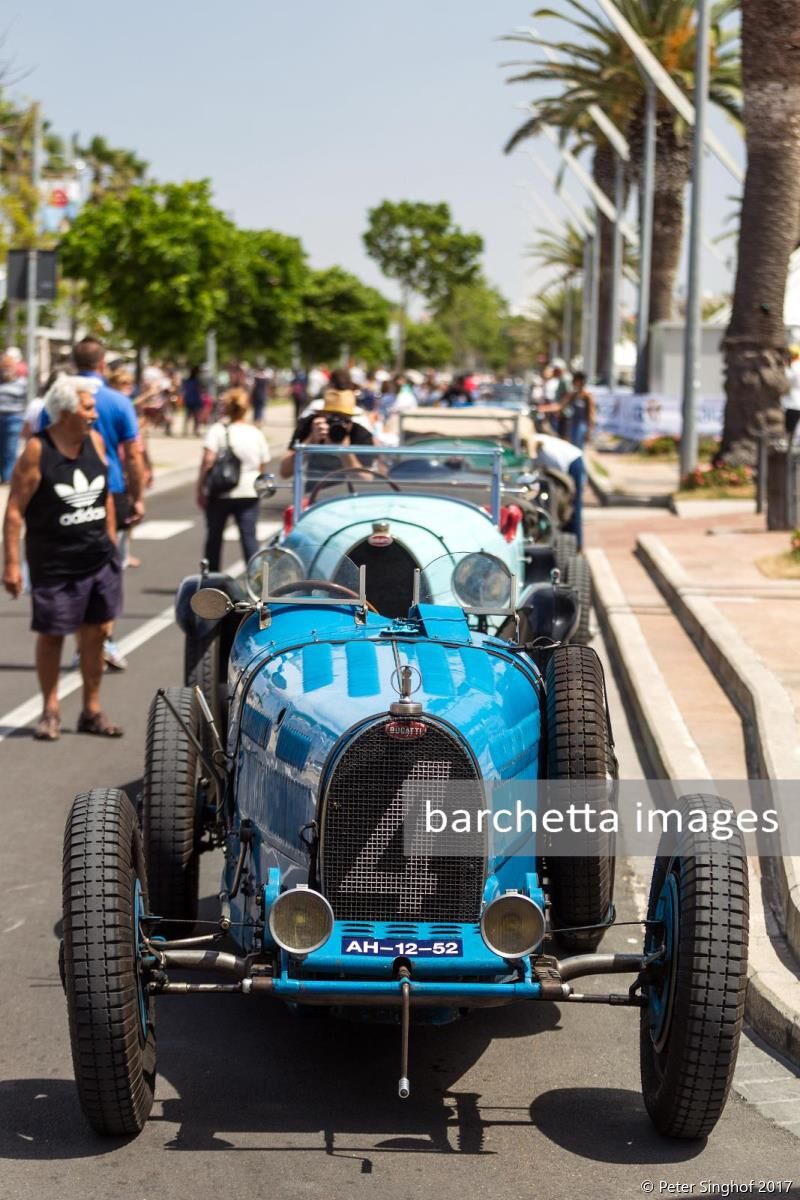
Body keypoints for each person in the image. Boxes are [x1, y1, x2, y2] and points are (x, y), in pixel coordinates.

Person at [2, 375, 124, 740]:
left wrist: (112, 543)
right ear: (66, 411)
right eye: (87, 407)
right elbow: (13, 510)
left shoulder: (97, 442)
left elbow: (106, 498)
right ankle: (50, 710)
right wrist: (10, 564)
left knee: (97, 632)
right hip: (54, 560)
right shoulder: (38, 450)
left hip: (98, 558)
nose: (93, 414)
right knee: (53, 634)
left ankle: (92, 709)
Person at [71, 338, 145, 668]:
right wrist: (138, 496)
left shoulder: (58, 398)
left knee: (75, 566)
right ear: (103, 364)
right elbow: (133, 453)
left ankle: (81, 644)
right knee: (108, 566)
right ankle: (105, 639)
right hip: (110, 489)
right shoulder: (118, 401)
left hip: (68, 491)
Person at [198, 387, 270, 571]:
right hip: (249, 490)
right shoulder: (255, 432)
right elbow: (263, 464)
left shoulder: (217, 430)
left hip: (221, 490)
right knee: (249, 538)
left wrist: (201, 488)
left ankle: (212, 581)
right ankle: (256, 580)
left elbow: (208, 461)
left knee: (214, 538)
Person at [280, 369, 375, 484]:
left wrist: (346, 451)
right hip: (314, 494)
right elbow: (284, 471)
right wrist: (310, 442)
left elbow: (367, 478)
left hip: (349, 497)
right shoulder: (310, 425)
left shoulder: (359, 432)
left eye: (344, 418)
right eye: (332, 418)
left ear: (351, 419)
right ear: (321, 415)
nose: (337, 423)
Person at [535, 433, 586, 550]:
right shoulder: (537, 439)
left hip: (572, 462)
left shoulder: (538, 448)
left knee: (574, 504)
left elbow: (558, 475)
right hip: (568, 460)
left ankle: (576, 544)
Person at [0, 351, 28, 482]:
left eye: (8, 366)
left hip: (13, 419)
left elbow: (26, 402)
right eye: (3, 366)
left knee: (10, 450)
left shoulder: (22, 384)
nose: (6, 369)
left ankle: (7, 479)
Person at [557, 370, 595, 449]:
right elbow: (561, 405)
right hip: (572, 425)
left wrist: (589, 431)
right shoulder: (572, 395)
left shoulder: (587, 396)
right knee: (571, 448)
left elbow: (591, 414)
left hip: (581, 426)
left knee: (579, 448)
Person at [182, 365, 204, 436]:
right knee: (195, 417)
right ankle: (194, 430)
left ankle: (187, 430)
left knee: (189, 416)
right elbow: (199, 390)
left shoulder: (188, 381)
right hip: (194, 399)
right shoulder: (196, 381)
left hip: (190, 399)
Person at [784, 347, 800, 441]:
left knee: (790, 430)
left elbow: (785, 380)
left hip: (792, 402)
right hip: (796, 402)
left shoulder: (794, 366)